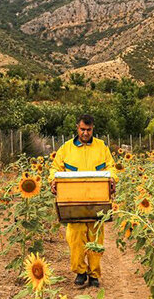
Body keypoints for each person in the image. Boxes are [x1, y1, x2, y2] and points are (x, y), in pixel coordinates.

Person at [49, 114, 117, 287]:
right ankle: (80, 272)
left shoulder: (101, 147)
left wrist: (112, 179)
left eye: (89, 130)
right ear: (77, 128)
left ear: (93, 128)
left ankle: (94, 274)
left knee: (96, 239)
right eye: (82, 129)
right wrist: (53, 181)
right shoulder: (66, 149)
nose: (86, 133)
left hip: (96, 202)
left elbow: (111, 167)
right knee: (76, 238)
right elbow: (55, 168)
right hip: (74, 203)